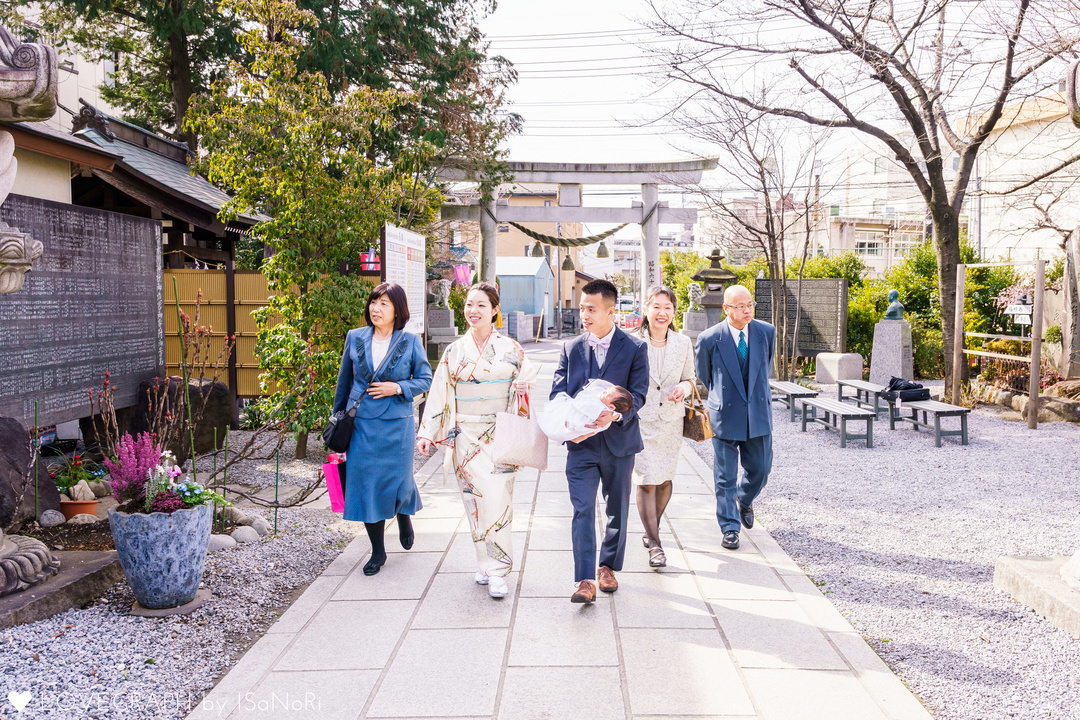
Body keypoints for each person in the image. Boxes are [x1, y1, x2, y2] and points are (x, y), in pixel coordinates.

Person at [416, 282, 537, 599]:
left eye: (482, 305)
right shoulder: (455, 351)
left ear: (495, 310)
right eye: (469, 304)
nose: (473, 310)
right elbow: (440, 392)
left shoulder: (512, 349)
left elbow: (527, 380)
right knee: (473, 503)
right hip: (465, 437)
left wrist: (522, 387)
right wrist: (427, 432)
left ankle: (498, 569)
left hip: (500, 435)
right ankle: (484, 564)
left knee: (497, 500)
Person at [552, 278, 648, 603]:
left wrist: (615, 415)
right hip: (581, 444)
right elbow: (557, 393)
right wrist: (568, 422)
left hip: (619, 443)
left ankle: (607, 566)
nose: (584, 315)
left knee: (617, 509)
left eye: (591, 309)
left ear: (610, 311)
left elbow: (639, 395)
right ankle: (584, 580)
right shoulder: (571, 348)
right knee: (581, 508)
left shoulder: (635, 348)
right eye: (582, 308)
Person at [332, 282, 432, 576]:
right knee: (366, 485)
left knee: (399, 480)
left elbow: (425, 379)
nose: (375, 308)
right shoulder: (355, 337)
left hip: (397, 425)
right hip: (361, 424)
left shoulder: (410, 341)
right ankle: (378, 550)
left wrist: (397, 387)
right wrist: (337, 421)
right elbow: (344, 382)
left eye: (383, 303)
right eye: (373, 302)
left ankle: (403, 514)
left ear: (397, 310)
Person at [694, 284, 776, 551]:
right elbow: (705, 376)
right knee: (725, 476)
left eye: (750, 304)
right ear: (726, 309)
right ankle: (730, 527)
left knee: (761, 469)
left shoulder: (766, 332)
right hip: (725, 414)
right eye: (741, 306)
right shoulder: (709, 338)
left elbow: (764, 368)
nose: (747, 310)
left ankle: (745, 498)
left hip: (757, 413)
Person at [633, 286, 697, 568]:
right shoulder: (632, 342)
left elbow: (691, 378)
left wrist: (683, 388)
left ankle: (651, 529)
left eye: (668, 307)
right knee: (647, 479)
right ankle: (655, 544)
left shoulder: (683, 343)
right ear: (646, 309)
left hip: (671, 420)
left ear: (674, 312)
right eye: (656, 306)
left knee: (665, 480)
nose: (662, 312)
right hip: (641, 421)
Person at [539, 380, 634, 443]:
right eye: (606, 390)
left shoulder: (596, 408)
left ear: (611, 407)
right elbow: (560, 379)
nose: (604, 391)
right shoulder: (600, 397)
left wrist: (616, 416)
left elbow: (582, 404)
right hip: (567, 428)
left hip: (614, 441)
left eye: (608, 394)